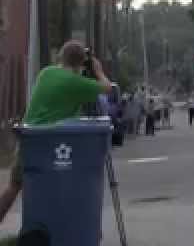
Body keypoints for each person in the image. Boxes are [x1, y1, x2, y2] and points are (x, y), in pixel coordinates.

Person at [0, 40, 114, 225]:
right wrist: (98, 70)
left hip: (29, 140)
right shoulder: (76, 83)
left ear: (61, 57)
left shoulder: (46, 73)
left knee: (14, 186)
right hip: (51, 144)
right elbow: (107, 88)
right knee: (60, 188)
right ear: (81, 64)